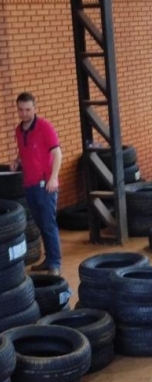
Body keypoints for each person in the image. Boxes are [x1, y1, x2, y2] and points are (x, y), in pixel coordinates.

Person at [10, 92, 62, 276]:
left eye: (28, 110)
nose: (24, 114)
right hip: (29, 185)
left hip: (45, 186)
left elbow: (57, 153)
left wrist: (53, 178)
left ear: (34, 108)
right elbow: (25, 151)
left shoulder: (45, 127)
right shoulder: (18, 130)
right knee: (40, 225)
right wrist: (17, 161)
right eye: (21, 110)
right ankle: (48, 260)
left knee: (48, 224)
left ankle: (55, 264)